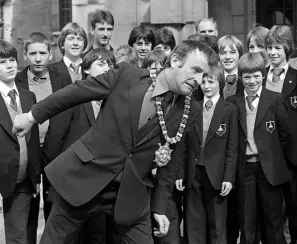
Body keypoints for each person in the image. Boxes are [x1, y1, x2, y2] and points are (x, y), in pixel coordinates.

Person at [12, 40, 218, 244]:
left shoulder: (191, 110)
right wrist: (32, 117)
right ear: (175, 60)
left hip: (131, 194)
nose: (198, 80)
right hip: (84, 178)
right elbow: (75, 93)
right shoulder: (126, 75)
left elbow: (170, 163)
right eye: (196, 70)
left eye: (204, 75)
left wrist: (159, 208)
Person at [44, 48, 116, 244]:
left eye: (111, 65)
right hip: (70, 186)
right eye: (101, 64)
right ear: (86, 70)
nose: (107, 69)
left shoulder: (114, 103)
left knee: (96, 238)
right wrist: (53, 185)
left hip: (100, 190)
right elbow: (54, 142)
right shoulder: (73, 97)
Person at [227, 52, 290, 244]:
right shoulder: (233, 103)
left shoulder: (276, 100)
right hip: (244, 169)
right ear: (240, 78)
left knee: (273, 222)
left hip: (269, 170)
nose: (252, 81)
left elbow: (284, 135)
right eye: (247, 77)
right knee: (247, 222)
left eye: (256, 76)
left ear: (263, 75)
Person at [15, 32, 69, 243]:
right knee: (28, 205)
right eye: (33, 53)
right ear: (25, 55)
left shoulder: (61, 79)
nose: (38, 58)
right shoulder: (18, 81)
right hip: (28, 151)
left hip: (55, 150)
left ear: (49, 54)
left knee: (54, 205)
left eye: (42, 53)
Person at [176, 65, 238, 243]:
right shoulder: (193, 108)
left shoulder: (229, 109)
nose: (206, 86)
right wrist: (181, 173)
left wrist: (228, 177)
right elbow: (184, 145)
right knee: (193, 223)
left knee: (217, 224)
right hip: (194, 172)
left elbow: (232, 148)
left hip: (217, 174)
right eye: (203, 82)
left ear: (220, 83)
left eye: (211, 81)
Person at [0, 39, 40, 244]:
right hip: (2, 177)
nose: (10, 65)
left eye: (12, 60)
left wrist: (36, 177)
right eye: (2, 61)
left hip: (23, 179)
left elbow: (32, 141)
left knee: (20, 238)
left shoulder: (27, 96)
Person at [265, 25, 297, 244]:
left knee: (295, 209)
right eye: (269, 47)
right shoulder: (257, 78)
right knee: (271, 212)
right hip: (266, 157)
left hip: (294, 159)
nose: (273, 52)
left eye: (278, 47)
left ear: (287, 48)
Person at [215, 35, 244, 100]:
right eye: (223, 53)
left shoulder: (246, 78)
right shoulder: (214, 79)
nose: (228, 57)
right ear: (217, 56)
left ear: (240, 54)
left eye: (232, 52)